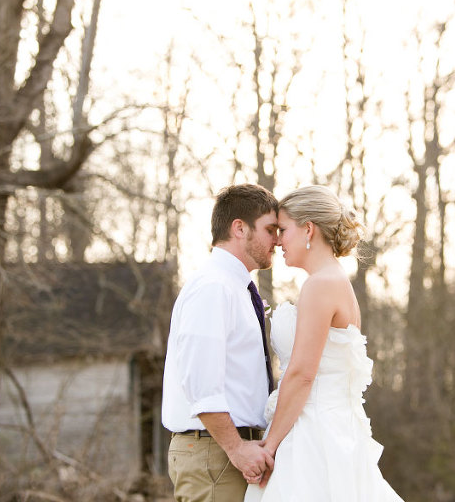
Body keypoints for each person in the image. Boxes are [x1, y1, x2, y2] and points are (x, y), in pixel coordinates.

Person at [245, 185, 403, 501]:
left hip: (312, 435)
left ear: (308, 229)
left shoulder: (321, 286)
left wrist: (270, 445)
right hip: (328, 426)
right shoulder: (332, 281)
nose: (277, 240)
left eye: (283, 230)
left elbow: (303, 374)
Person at [162, 184, 279, 502]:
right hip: (215, 456)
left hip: (230, 453)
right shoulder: (213, 287)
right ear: (240, 228)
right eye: (270, 230)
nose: (278, 240)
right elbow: (201, 384)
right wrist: (236, 447)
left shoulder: (235, 287)